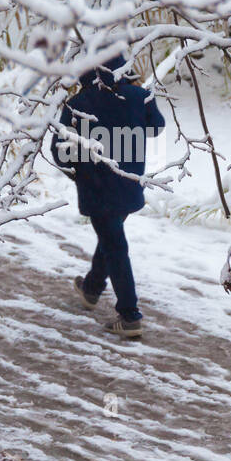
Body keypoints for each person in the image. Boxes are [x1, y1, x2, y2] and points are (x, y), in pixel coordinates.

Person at [51, 54, 166, 339]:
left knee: (114, 245)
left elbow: (60, 151)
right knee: (111, 238)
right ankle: (91, 289)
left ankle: (129, 315)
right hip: (128, 182)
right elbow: (157, 126)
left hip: (96, 188)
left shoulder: (77, 105)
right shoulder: (140, 96)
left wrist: (79, 168)